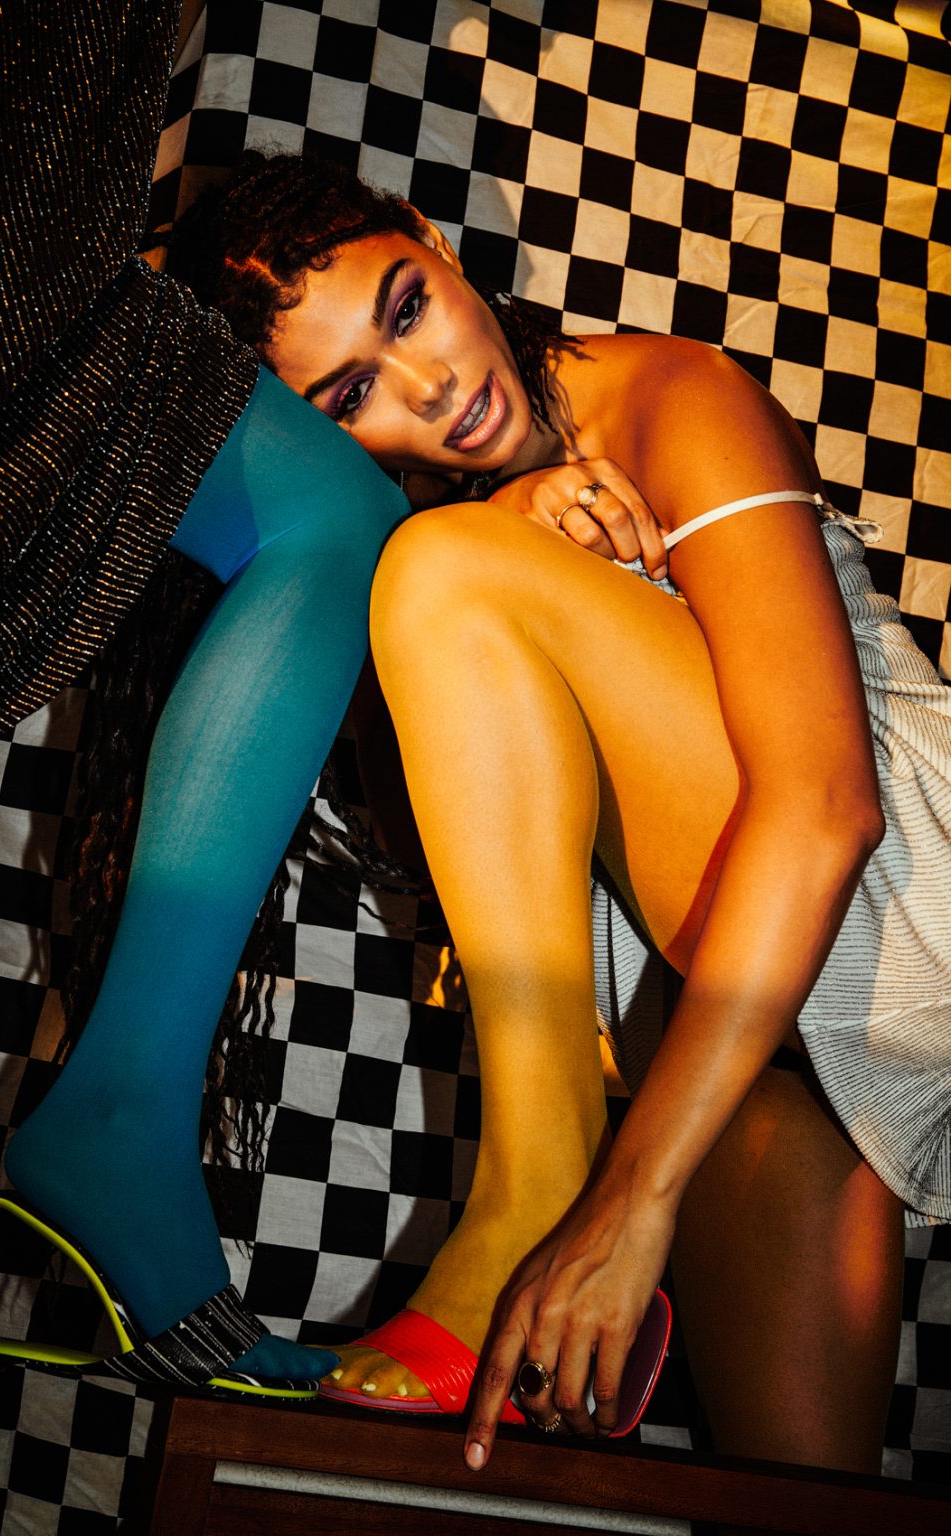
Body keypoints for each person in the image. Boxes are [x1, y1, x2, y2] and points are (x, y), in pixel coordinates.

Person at [172, 147, 951, 1467]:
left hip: (896, 903)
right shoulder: (433, 563)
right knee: (793, 1505)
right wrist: (505, 532)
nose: (429, 387)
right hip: (740, 1045)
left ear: (434, 241)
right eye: (353, 393)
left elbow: (827, 807)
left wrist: (624, 1202)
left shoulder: (669, 398)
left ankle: (533, 1194)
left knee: (443, 569)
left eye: (406, 307)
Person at [0, 6, 407, 1395]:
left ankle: (126, 1108)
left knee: (330, 513)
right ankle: (125, 1110)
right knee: (330, 514)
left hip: (23, 249)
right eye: (349, 382)